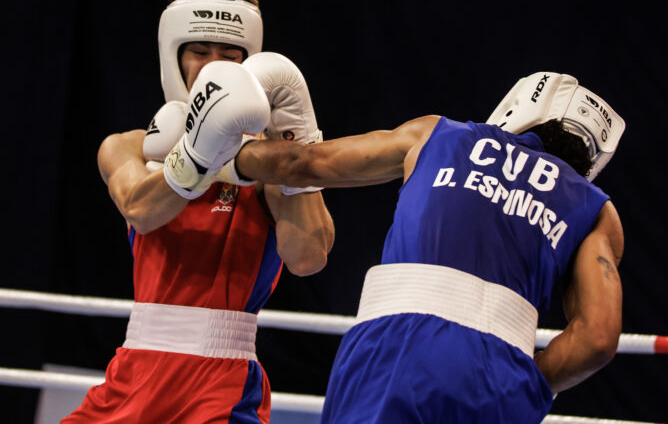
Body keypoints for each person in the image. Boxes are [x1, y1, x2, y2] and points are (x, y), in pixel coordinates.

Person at [231, 72, 625, 423]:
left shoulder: (438, 135)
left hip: (398, 350)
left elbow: (301, 163)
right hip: (503, 376)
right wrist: (528, 385)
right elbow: (599, 337)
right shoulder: (595, 209)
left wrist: (208, 153)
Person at [63, 0, 334, 424]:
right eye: (199, 52)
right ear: (174, 57)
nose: (213, 67)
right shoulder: (130, 147)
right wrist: (199, 152)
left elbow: (309, 258)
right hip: (131, 375)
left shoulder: (267, 161)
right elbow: (140, 209)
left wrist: (298, 145)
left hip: (219, 384)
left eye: (229, 58)